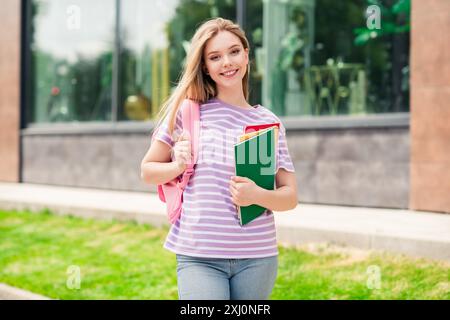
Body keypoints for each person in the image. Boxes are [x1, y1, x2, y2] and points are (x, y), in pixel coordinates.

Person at [140, 17, 298, 300]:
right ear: (205, 66)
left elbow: (289, 197)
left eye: (234, 51)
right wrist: (177, 165)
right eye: (215, 56)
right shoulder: (187, 113)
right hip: (200, 255)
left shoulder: (268, 122)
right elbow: (147, 171)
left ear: (247, 55)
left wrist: (257, 194)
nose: (227, 62)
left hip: (257, 257)